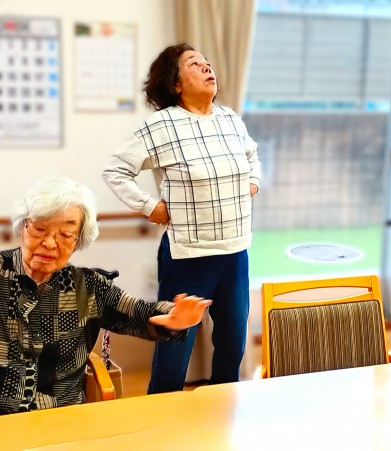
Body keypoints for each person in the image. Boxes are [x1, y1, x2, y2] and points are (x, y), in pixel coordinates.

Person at [102, 43, 261, 393]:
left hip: (235, 251)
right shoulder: (161, 125)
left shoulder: (230, 119)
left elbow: (253, 156)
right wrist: (150, 206)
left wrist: (253, 181)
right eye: (194, 64)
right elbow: (115, 170)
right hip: (188, 255)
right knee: (175, 349)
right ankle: (161, 416)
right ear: (175, 83)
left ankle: (223, 412)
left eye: (207, 62)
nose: (206, 67)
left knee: (232, 345)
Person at [0, 177, 211, 415]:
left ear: (78, 241)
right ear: (22, 227)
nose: (49, 243)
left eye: (66, 234)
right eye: (40, 229)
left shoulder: (88, 287)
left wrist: (173, 317)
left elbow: (138, 312)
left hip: (63, 415)